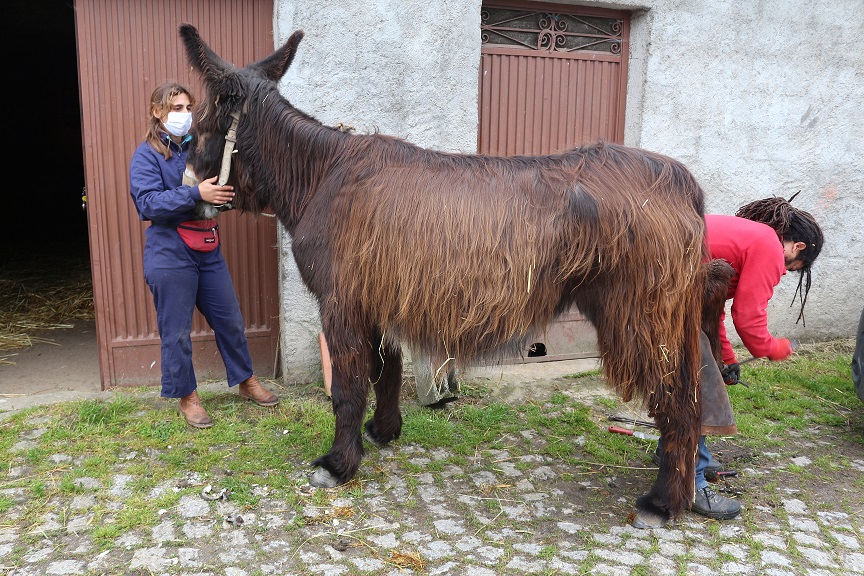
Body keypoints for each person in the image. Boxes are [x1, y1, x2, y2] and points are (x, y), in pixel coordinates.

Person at [129, 82, 279, 428]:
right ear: (157, 112)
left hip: (206, 247)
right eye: (175, 108)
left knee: (229, 319)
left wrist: (223, 199)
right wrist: (197, 192)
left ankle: (246, 380)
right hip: (169, 252)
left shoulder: (198, 148)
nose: (184, 115)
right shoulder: (146, 155)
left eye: (187, 108)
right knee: (176, 330)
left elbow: (211, 196)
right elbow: (148, 204)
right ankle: (188, 397)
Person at [685, 195, 824, 520]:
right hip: (663, 298)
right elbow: (747, 315)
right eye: (794, 267)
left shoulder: (746, 236)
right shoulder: (768, 246)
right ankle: (689, 480)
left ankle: (675, 454)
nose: (787, 271)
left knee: (696, 377)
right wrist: (772, 348)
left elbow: (711, 308)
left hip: (668, 295)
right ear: (797, 247)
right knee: (703, 389)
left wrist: (728, 359)